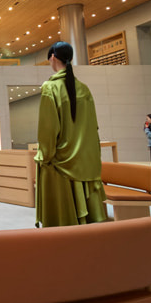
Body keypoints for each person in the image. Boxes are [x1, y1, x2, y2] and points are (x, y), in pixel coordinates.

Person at [34, 41, 108, 227]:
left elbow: (48, 131)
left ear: (52, 57)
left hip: (61, 166)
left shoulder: (50, 88)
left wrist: (44, 157)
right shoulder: (84, 89)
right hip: (86, 162)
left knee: (63, 224)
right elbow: (93, 127)